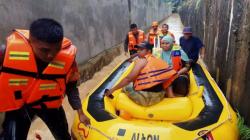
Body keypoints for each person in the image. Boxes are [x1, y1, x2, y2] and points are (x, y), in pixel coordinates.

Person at [0, 18, 90, 140]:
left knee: (63, 136)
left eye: (57, 49)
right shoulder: (5, 54)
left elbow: (71, 87)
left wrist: (80, 113)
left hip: (49, 105)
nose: (51, 55)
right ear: (31, 42)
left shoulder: (68, 60)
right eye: (44, 50)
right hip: (20, 106)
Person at [105, 41, 178, 106]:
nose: (138, 51)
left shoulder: (142, 61)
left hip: (146, 99)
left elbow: (128, 79)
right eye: (138, 50)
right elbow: (167, 77)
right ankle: (171, 95)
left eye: (141, 50)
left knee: (127, 87)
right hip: (160, 95)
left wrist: (113, 89)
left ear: (148, 51)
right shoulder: (157, 60)